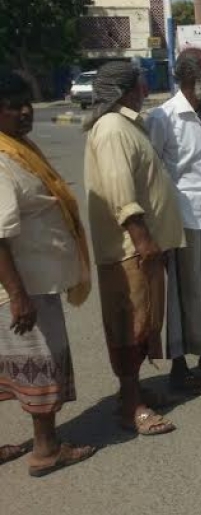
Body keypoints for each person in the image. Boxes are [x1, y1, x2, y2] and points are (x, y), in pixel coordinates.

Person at [0, 70, 96, 476]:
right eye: (14, 106)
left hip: (33, 282)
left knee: (19, 366)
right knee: (38, 364)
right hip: (24, 288)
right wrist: (18, 296)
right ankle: (46, 450)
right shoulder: (2, 159)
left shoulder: (18, 148)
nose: (25, 111)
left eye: (28, 103)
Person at [84, 61, 186, 436]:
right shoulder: (112, 128)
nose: (145, 89)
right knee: (129, 327)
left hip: (143, 245)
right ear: (126, 90)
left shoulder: (125, 124)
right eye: (141, 84)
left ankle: (134, 391)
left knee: (144, 324)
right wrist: (142, 238)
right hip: (130, 248)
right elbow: (121, 193)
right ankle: (131, 405)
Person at [147, 48, 201, 393]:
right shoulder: (164, 117)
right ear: (189, 75)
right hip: (185, 217)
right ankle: (180, 367)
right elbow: (152, 172)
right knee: (184, 295)